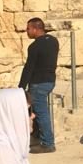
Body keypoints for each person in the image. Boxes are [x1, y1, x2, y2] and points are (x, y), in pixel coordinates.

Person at [19, 18, 59, 154]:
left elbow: (29, 68)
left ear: (35, 29)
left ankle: (48, 143)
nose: (27, 31)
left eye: (28, 29)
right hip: (50, 81)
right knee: (36, 110)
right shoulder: (53, 41)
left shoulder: (34, 46)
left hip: (38, 83)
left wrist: (21, 87)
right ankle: (36, 137)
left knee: (41, 113)